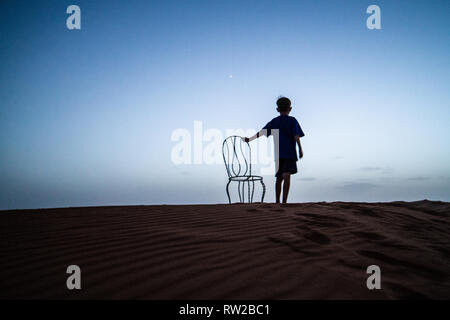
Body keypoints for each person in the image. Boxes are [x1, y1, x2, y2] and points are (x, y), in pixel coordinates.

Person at [243, 97, 305, 203]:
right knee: (286, 175)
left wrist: (250, 139)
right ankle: (284, 201)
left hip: (278, 154)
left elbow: (262, 132)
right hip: (290, 153)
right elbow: (296, 135)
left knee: (279, 178)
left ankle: (277, 201)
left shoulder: (275, 121)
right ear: (290, 108)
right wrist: (300, 148)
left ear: (277, 109)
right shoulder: (292, 120)